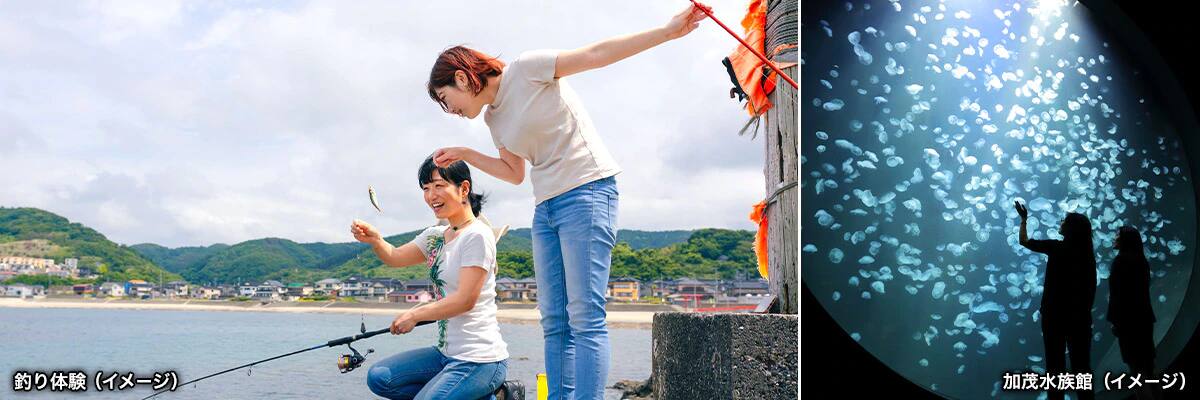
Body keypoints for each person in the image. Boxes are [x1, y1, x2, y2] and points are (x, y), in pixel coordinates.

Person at [423, 4, 709, 399]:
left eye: (445, 98)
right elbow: (514, 172)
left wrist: (667, 32)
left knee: (586, 317)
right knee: (554, 321)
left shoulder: (526, 68)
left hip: (588, 191)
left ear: (462, 77)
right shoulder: (493, 119)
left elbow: (595, 54)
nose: (448, 109)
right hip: (547, 207)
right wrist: (467, 154)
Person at [353, 156, 508, 400]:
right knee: (380, 378)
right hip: (445, 354)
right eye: (426, 188)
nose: (431, 195)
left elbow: (465, 300)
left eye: (438, 186)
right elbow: (395, 257)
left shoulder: (478, 236)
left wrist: (414, 315)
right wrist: (375, 240)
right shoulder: (435, 236)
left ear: (463, 188)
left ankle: (488, 391)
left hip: (480, 360)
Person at [1014, 201, 1097, 400]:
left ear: (1070, 228)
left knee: (1055, 368)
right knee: (1082, 368)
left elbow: (1024, 241)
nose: (1060, 222)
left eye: (1064, 221)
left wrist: (1024, 219)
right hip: (1080, 318)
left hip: (1054, 317)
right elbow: (1090, 288)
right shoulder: (1087, 255)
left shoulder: (1056, 247)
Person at [1108, 226, 1160, 400]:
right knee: (1147, 366)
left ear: (1125, 240)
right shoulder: (1141, 260)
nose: (1114, 237)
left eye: (1117, 235)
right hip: (1144, 318)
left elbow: (1118, 295)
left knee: (1136, 370)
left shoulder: (1120, 261)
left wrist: (1116, 322)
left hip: (1128, 322)